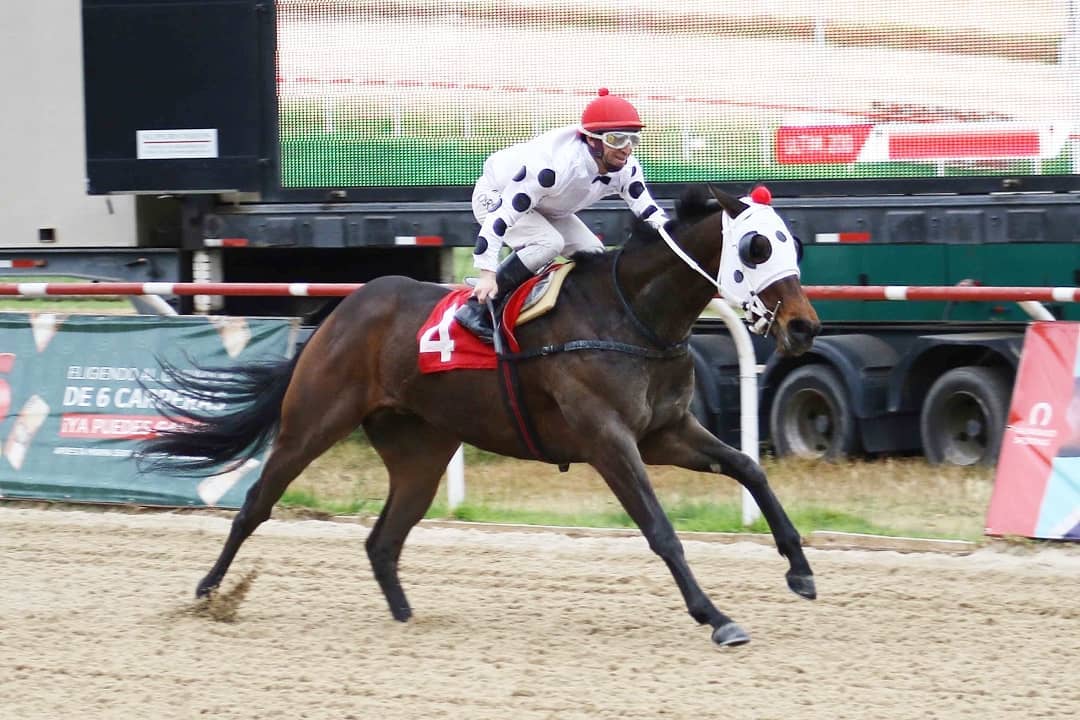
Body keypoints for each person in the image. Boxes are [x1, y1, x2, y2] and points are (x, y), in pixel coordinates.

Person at [454, 88, 671, 342]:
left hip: (545, 205)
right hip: (496, 195)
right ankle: (475, 308)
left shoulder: (626, 168)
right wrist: (487, 273)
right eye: (617, 140)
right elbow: (500, 218)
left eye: (633, 140)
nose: (627, 150)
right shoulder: (553, 168)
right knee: (549, 243)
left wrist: (677, 239)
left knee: (595, 255)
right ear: (593, 140)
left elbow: (648, 210)